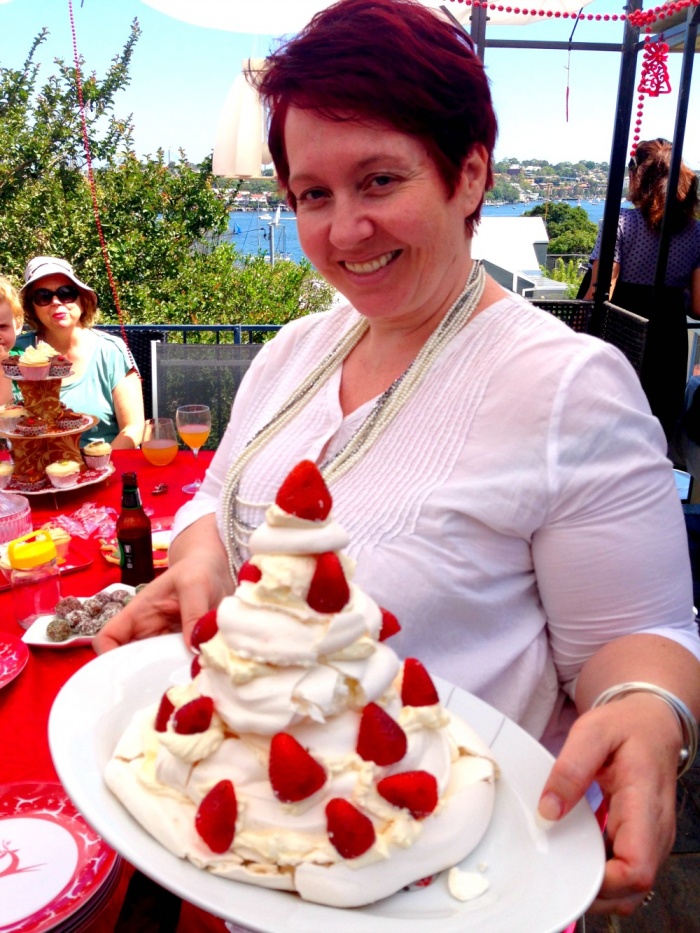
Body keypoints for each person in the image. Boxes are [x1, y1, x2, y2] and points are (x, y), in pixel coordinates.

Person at [96, 0, 700, 918]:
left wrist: (650, 709)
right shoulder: (297, 348)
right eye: (312, 194)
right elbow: (219, 494)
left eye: (379, 181)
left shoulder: (570, 386)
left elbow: (640, 633)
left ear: (469, 176)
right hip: (257, 853)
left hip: (442, 888)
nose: (344, 230)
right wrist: (203, 559)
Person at [585, 138, 700, 441]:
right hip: (670, 334)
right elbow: (699, 306)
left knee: (611, 424)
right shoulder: (696, 232)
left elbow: (601, 291)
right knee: (656, 425)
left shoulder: (621, 222)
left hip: (625, 328)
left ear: (638, 175)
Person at [19, 256, 144, 447]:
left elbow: (133, 427)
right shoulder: (17, 353)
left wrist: (93, 466)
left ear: (82, 300)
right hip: (32, 467)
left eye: (66, 293)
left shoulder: (110, 351)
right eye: (43, 296)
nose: (55, 302)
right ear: (32, 307)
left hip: (102, 466)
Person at [0, 276, 24, 406]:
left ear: (18, 325)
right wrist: (2, 369)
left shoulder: (24, 359)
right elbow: (3, 422)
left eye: (2, 327)